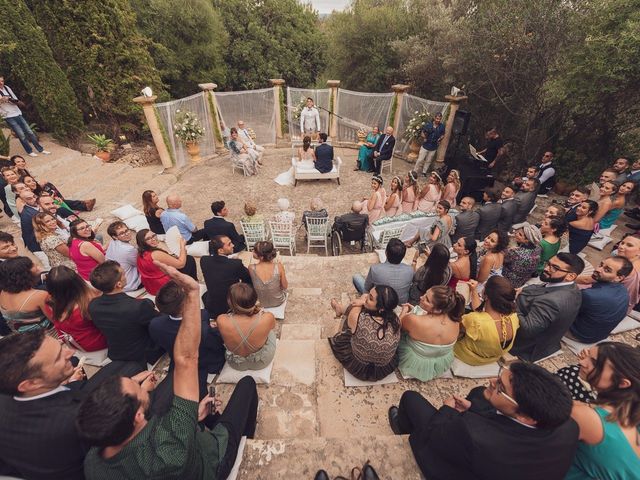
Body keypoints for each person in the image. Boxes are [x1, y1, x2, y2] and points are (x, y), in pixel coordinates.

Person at [76, 263, 259, 480]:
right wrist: (192, 291)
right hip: (212, 461)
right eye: (138, 386)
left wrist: (194, 418)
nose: (141, 380)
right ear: (137, 415)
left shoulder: (93, 465)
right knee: (247, 385)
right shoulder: (172, 443)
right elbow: (187, 359)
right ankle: (244, 440)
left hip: (189, 439)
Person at [388, 362, 579, 480]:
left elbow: (436, 435)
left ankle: (402, 428)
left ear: (526, 417)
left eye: (500, 387)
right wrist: (474, 409)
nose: (491, 381)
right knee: (479, 395)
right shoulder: (570, 428)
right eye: (499, 376)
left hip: (455, 470)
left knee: (410, 398)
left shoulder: (472, 432)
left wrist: (447, 410)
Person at [0, 329, 146, 480]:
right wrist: (136, 392)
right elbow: (116, 440)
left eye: (61, 346)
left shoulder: (8, 394)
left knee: (128, 367)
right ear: (31, 384)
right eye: (57, 358)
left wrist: (63, 383)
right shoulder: (77, 418)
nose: (70, 352)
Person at [565, 343, 640, 479]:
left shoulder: (585, 417)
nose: (581, 361)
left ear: (623, 383)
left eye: (594, 362)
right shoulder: (630, 412)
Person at [149, 280, 225, 394]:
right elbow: (216, 343)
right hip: (205, 362)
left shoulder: (155, 324)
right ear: (185, 303)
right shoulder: (201, 317)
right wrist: (215, 330)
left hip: (177, 359)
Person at [511, 253, 584, 362]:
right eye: (548, 264)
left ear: (571, 276)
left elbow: (526, 330)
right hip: (547, 339)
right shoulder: (571, 287)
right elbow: (544, 287)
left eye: (554, 268)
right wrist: (523, 291)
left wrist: (512, 303)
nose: (546, 268)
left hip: (525, 346)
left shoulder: (552, 301)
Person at [89, 261, 161, 363]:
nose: (125, 275)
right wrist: (148, 304)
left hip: (116, 353)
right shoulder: (137, 307)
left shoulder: (93, 305)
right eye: (123, 274)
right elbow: (159, 321)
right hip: (143, 353)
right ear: (118, 284)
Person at [329, 285, 401, 381]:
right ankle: (340, 309)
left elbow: (355, 305)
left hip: (359, 368)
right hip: (382, 370)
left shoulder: (359, 318)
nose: (367, 297)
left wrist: (362, 300)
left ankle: (339, 309)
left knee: (351, 314)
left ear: (381, 308)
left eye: (370, 298)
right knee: (355, 317)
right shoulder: (397, 321)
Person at [398, 286, 465, 381]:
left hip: (416, 359)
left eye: (427, 300)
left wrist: (404, 311)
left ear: (438, 310)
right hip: (442, 359)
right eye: (425, 293)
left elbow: (398, 325)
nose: (421, 297)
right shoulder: (456, 321)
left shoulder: (413, 320)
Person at [454, 276, 519, 365]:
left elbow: (455, 332)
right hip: (492, 357)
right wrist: (474, 290)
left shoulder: (475, 321)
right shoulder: (514, 317)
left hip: (472, 357)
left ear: (486, 295)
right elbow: (481, 313)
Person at [567, 256, 631, 344]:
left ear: (618, 278)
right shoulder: (623, 290)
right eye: (601, 265)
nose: (598, 269)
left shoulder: (591, 295)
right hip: (598, 335)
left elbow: (564, 308)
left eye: (607, 270)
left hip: (578, 335)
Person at [44, 265, 106, 352]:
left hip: (75, 344)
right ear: (77, 282)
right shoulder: (87, 303)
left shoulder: (49, 303)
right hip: (97, 343)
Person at [217, 282, 276, 371]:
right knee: (270, 332)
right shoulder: (267, 317)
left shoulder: (221, 320)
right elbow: (272, 326)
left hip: (236, 364)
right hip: (261, 362)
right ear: (255, 299)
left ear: (230, 302)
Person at [201, 235, 252, 319]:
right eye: (229, 244)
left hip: (212, 304)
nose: (233, 245)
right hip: (231, 305)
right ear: (220, 250)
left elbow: (219, 267)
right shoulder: (235, 264)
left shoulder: (204, 260)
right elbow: (247, 278)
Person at [0, 256, 54, 334]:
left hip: (23, 339)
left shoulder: (3, 293)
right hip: (46, 336)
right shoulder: (39, 296)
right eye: (32, 265)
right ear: (25, 274)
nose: (36, 265)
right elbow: (55, 319)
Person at [0, 76, 51, 157]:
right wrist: (2, 100)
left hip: (17, 112)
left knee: (30, 132)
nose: (1, 83)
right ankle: (29, 151)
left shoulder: (7, 87)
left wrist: (12, 100)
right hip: (8, 116)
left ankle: (40, 149)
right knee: (21, 135)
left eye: (2, 81)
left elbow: (15, 98)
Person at [135, 228, 197, 294]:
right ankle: (192, 285)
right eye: (148, 239)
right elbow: (181, 264)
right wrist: (182, 247)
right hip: (164, 287)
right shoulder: (155, 254)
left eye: (153, 235)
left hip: (151, 286)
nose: (153, 239)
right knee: (189, 259)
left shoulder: (140, 254)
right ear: (143, 242)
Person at [352, 238, 414, 304]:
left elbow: (367, 288)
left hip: (381, 303)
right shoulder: (410, 270)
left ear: (386, 252)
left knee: (356, 277)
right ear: (403, 255)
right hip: (401, 302)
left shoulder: (375, 269)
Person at [502, 222, 542, 288]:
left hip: (507, 280)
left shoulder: (515, 252)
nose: (516, 234)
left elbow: (502, 260)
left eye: (520, 234)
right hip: (522, 281)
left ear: (527, 240)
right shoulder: (538, 248)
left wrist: (508, 249)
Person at [248, 241, 288, 308]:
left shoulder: (251, 267)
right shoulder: (279, 266)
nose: (252, 251)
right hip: (278, 301)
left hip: (261, 302)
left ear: (261, 257)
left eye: (254, 251)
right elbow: (285, 286)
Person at [105, 221, 142, 292]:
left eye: (126, 230)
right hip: (131, 283)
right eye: (122, 233)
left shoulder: (112, 242)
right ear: (115, 237)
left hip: (118, 281)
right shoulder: (128, 249)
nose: (126, 234)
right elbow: (140, 264)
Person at [476, 229, 508, 295]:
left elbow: (480, 280)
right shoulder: (501, 253)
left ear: (498, 245)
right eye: (488, 237)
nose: (487, 240)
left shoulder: (489, 258)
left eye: (492, 241)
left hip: (483, 288)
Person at [18, 188, 41, 252]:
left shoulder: (34, 207)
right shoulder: (31, 214)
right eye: (29, 199)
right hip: (37, 245)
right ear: (23, 201)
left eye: (34, 196)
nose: (34, 199)